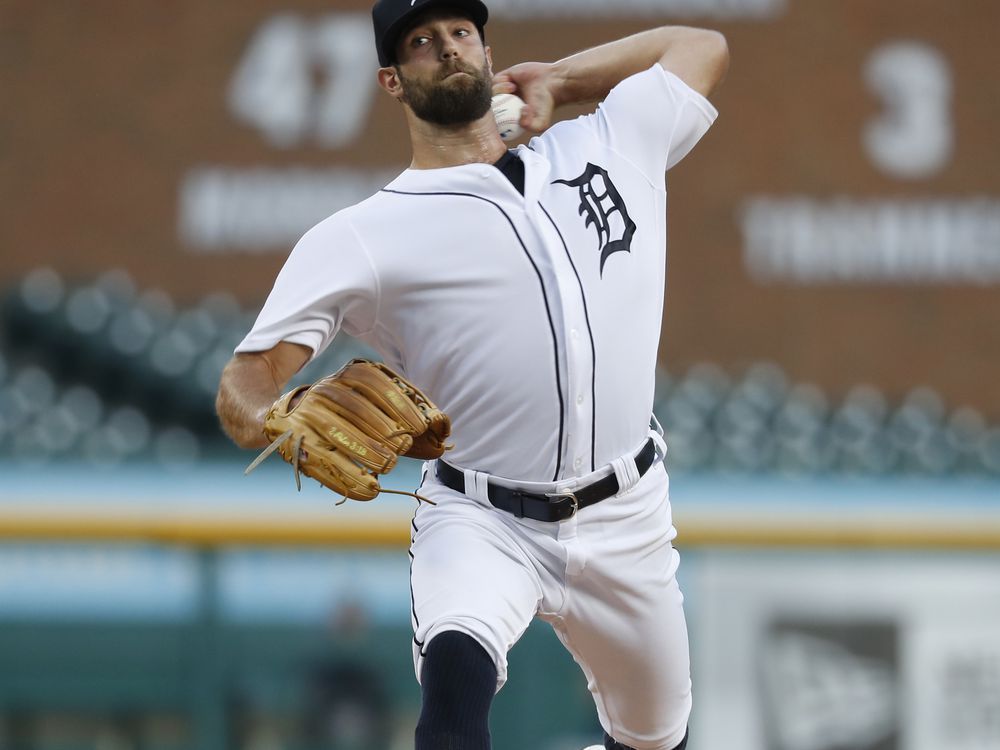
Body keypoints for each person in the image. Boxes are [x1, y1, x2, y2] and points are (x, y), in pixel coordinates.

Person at [216, 0, 728, 747]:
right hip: (482, 519)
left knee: (657, 740)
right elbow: (245, 378)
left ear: (489, 55)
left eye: (461, 32)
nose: (448, 49)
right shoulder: (363, 234)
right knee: (453, 712)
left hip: (627, 513)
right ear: (392, 81)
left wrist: (561, 77)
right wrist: (279, 411)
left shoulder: (610, 143)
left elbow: (697, 44)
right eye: (422, 43)